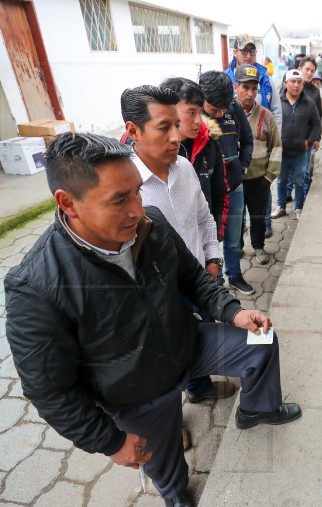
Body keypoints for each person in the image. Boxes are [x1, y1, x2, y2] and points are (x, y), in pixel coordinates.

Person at [5, 132, 302, 507]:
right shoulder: (37, 285)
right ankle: (176, 492)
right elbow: (49, 389)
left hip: (187, 343)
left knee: (260, 340)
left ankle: (256, 409)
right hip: (134, 390)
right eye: (118, 200)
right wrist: (108, 442)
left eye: (136, 192)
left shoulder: (152, 224)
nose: (136, 209)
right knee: (161, 459)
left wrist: (231, 312)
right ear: (68, 203)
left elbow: (193, 278)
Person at [120, 86, 235, 425]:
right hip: (156, 298)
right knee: (163, 363)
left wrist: (212, 260)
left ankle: (199, 387)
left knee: (198, 341)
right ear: (133, 130)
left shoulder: (184, 168)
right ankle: (170, 427)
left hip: (199, 281)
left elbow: (204, 218)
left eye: (176, 125)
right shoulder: (124, 189)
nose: (176, 137)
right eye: (163, 128)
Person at [199, 70, 255, 295]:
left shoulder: (233, 108)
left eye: (225, 108)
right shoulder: (193, 116)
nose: (221, 113)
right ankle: (216, 281)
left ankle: (234, 275)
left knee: (234, 238)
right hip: (207, 192)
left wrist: (241, 167)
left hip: (234, 187)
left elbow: (248, 140)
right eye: (214, 110)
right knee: (209, 240)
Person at [160, 77, 229, 241]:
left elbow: (221, 193)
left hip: (203, 242)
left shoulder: (209, 146)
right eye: (191, 112)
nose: (198, 120)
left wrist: (215, 236)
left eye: (200, 112)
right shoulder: (144, 150)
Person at [234, 64, 282, 265]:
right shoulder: (227, 115)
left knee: (258, 218)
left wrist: (268, 177)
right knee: (236, 219)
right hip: (235, 181)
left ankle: (259, 247)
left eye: (254, 88)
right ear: (235, 87)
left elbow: (277, 147)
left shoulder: (266, 116)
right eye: (245, 87)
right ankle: (235, 248)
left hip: (258, 181)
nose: (250, 93)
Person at [272, 70, 320, 221]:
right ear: (286, 83)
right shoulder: (277, 103)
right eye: (293, 81)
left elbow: (316, 124)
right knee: (281, 180)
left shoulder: (309, 104)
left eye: (299, 82)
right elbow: (270, 123)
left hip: (300, 152)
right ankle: (280, 207)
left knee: (300, 181)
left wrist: (309, 140)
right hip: (282, 152)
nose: (296, 85)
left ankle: (299, 207)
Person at [225, 34, 281, 130]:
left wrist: (275, 139)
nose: (248, 56)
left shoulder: (265, 79)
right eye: (244, 51)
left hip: (260, 139)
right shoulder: (225, 79)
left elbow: (276, 111)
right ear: (235, 52)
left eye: (252, 52)